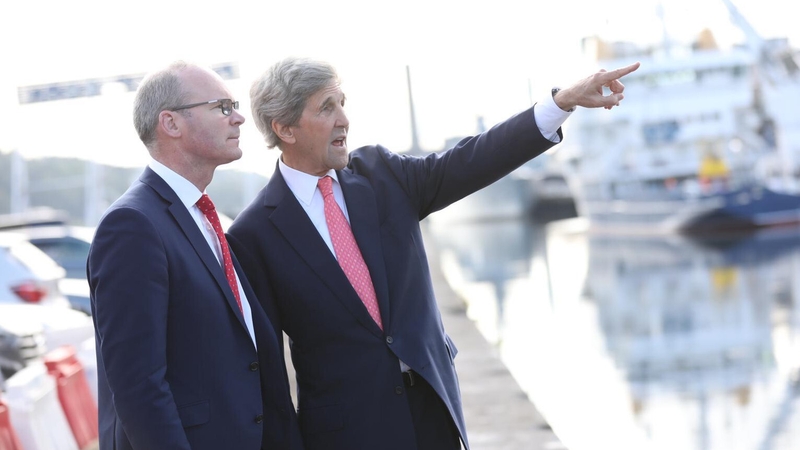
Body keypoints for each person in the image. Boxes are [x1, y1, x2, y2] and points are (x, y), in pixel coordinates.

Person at [227, 56, 640, 450]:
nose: (344, 120)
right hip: (345, 434)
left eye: (342, 103)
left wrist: (560, 103)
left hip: (433, 413)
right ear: (285, 128)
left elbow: (473, 159)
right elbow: (266, 369)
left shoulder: (383, 175)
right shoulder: (254, 234)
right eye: (326, 108)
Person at [87, 61, 303, 450]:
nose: (238, 118)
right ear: (171, 123)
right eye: (222, 106)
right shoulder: (132, 225)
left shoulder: (203, 216)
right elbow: (139, 388)